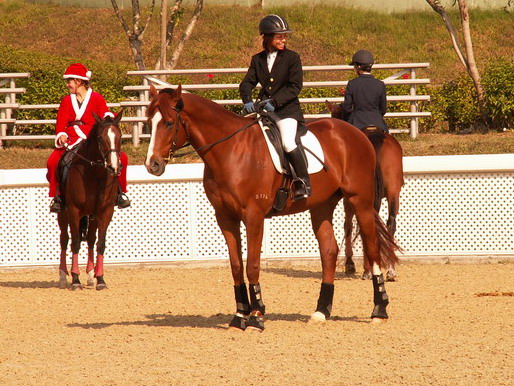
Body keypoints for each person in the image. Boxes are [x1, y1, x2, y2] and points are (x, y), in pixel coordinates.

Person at [239, 14, 311, 201]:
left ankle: (303, 182)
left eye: (285, 36)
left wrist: (275, 102)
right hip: (264, 111)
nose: (284, 39)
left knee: (287, 142)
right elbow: (247, 83)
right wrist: (247, 100)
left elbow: (295, 86)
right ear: (268, 38)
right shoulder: (258, 60)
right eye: (279, 36)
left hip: (287, 111)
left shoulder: (292, 58)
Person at [46, 63, 131, 213]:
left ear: (78, 82)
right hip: (72, 138)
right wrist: (62, 134)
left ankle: (120, 193)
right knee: (53, 161)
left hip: (92, 136)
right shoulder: (66, 101)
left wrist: (109, 117)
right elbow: (61, 123)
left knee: (122, 158)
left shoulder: (97, 98)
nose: (67, 85)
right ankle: (58, 196)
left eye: (69, 81)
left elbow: (105, 113)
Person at [341, 49, 388, 133]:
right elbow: (383, 109)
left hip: (357, 125)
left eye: (354, 66)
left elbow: (347, 108)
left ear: (358, 67)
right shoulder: (380, 84)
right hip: (378, 124)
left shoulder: (352, 84)